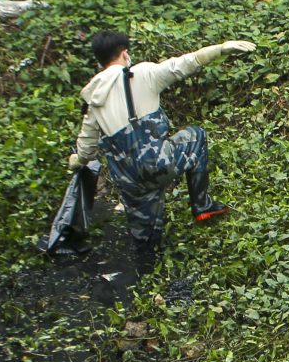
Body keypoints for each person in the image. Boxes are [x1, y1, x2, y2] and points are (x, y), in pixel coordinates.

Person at [67, 29, 256, 260]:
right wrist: (221, 48)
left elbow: (86, 147)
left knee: (147, 246)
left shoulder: (93, 99)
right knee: (196, 136)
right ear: (125, 54)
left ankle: (146, 274)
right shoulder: (142, 74)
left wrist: (77, 161)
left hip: (129, 183)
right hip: (159, 166)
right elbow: (185, 63)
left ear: (99, 62)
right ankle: (203, 206)